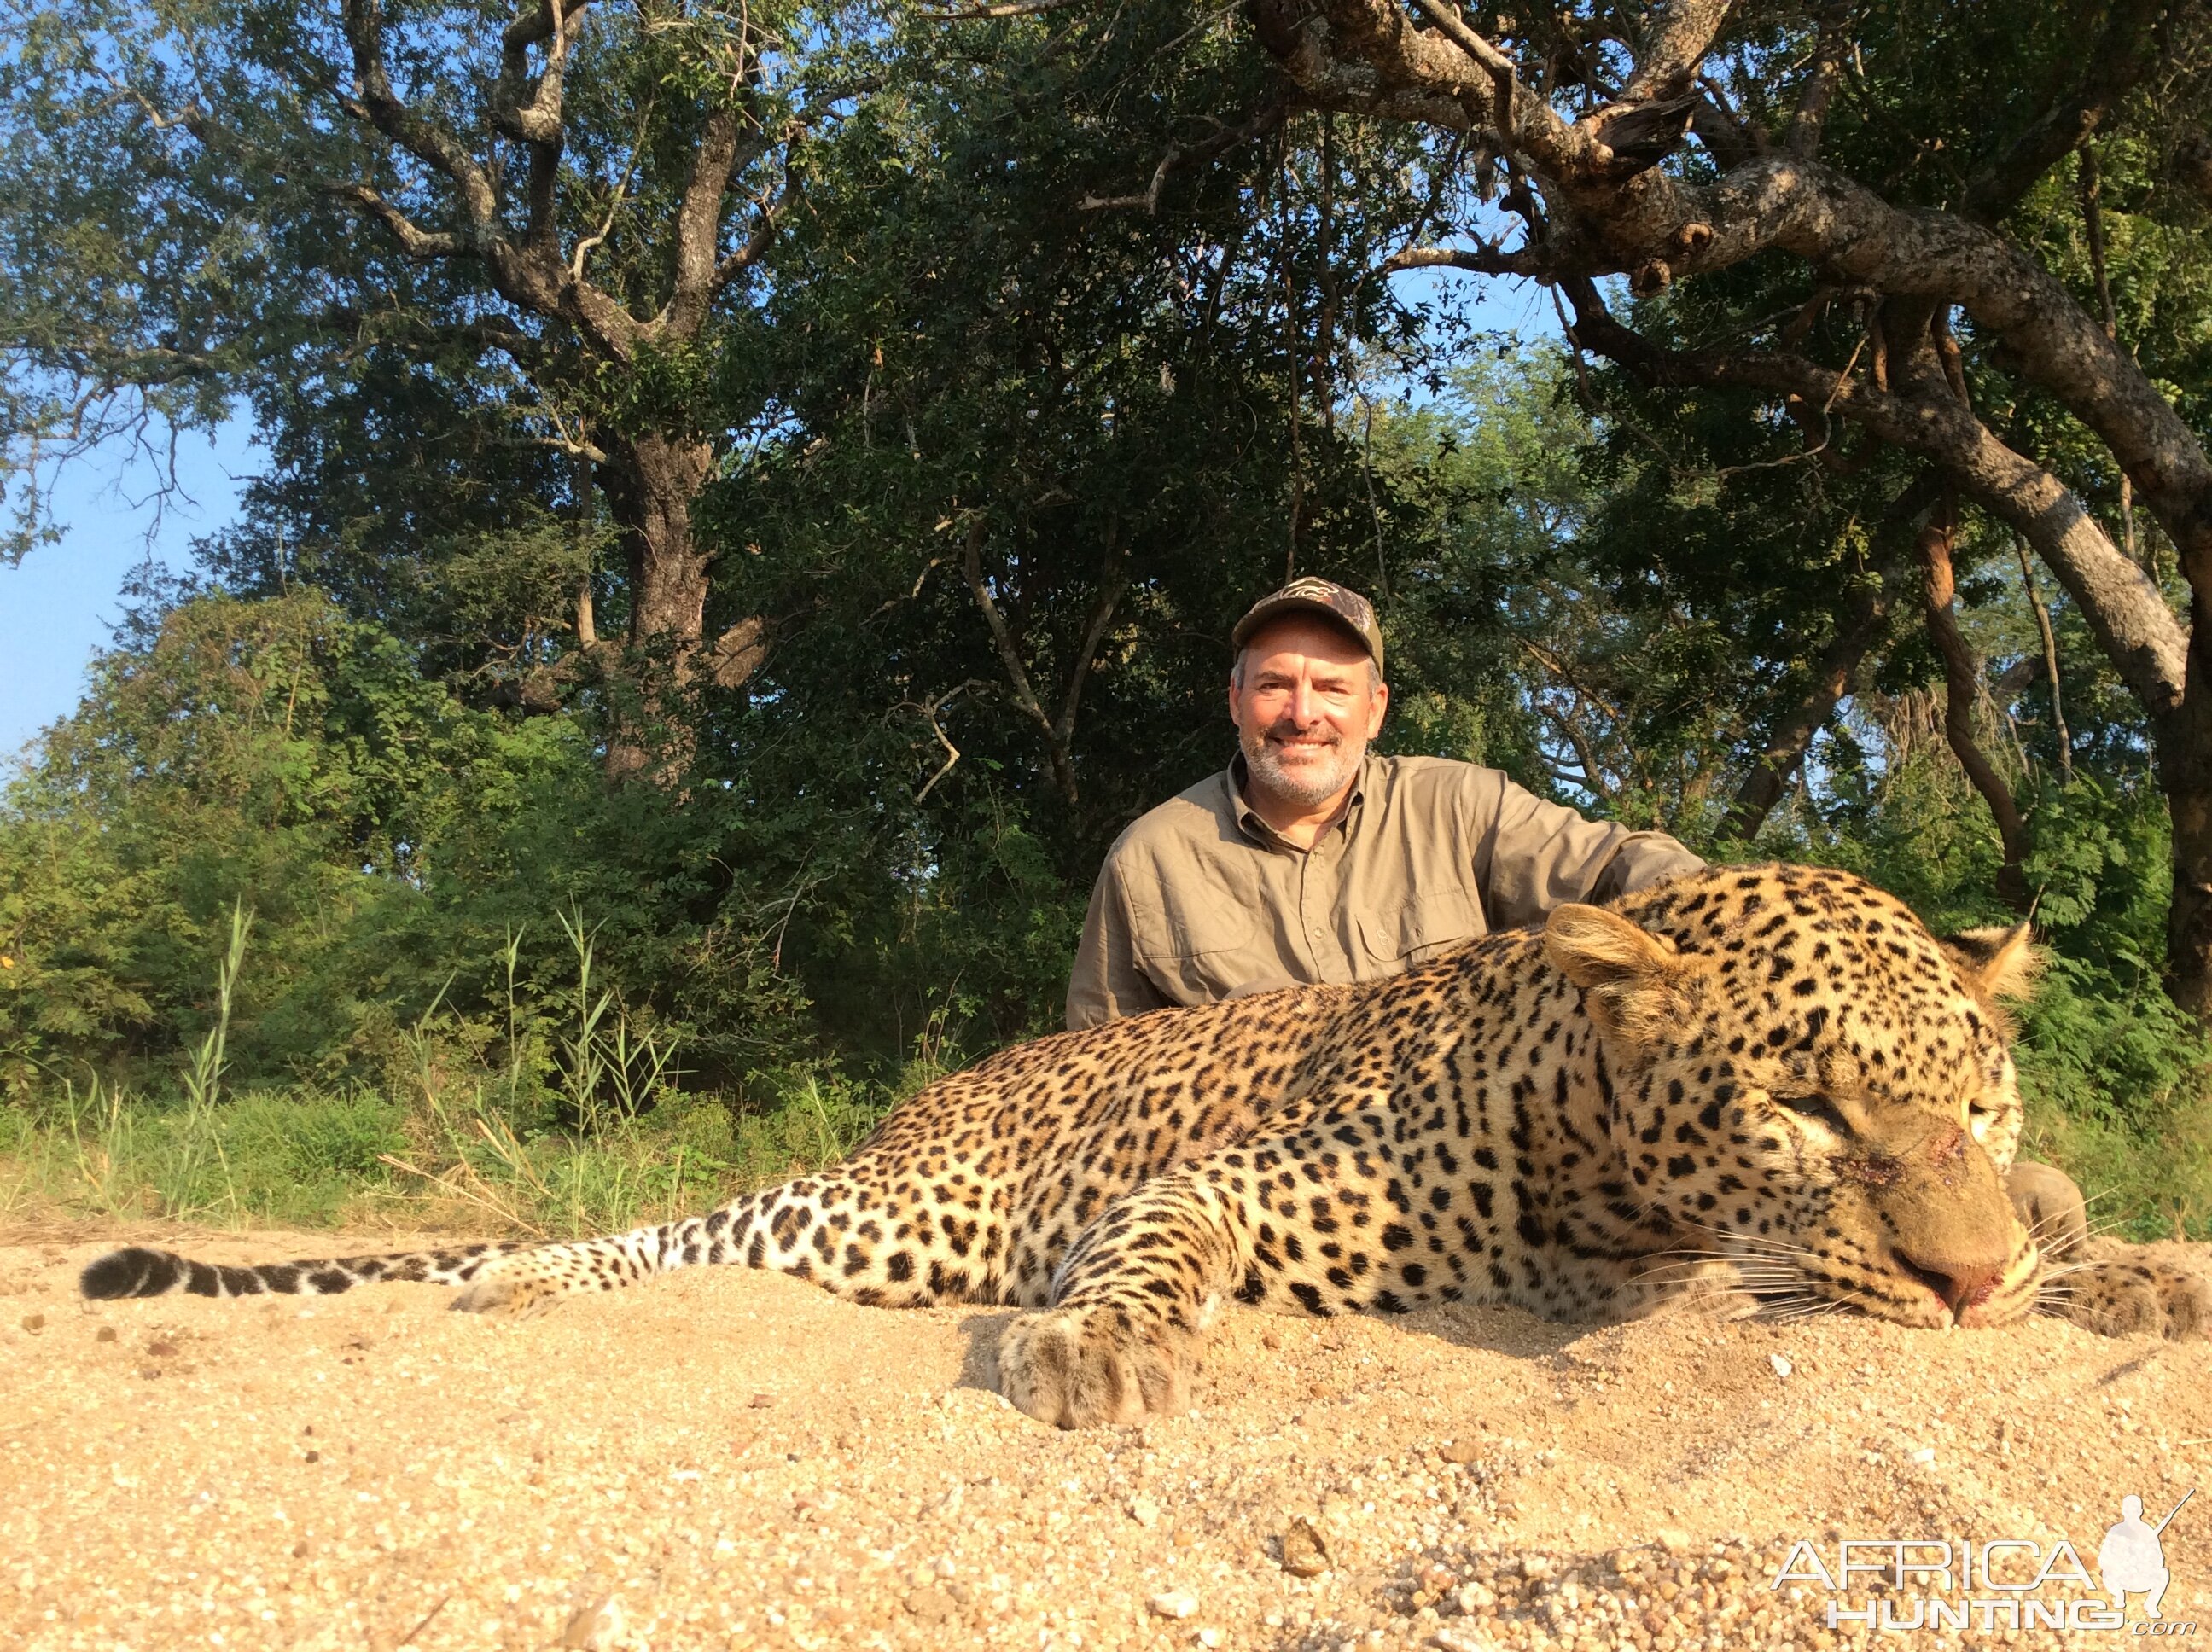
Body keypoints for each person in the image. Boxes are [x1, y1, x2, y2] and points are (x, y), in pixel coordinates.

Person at [1066, 576, 1705, 1029]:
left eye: (1333, 688)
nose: (1303, 713)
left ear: (1375, 711)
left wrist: (1735, 927)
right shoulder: (1150, 858)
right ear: (1235, 701)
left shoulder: (1462, 805)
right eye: (1274, 685)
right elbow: (1093, 1069)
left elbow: (1624, 863)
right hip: (1248, 1193)